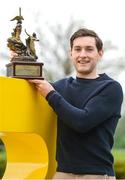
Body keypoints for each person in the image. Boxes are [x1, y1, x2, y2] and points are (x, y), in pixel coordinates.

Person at [29, 28, 123, 179]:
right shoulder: (61, 86)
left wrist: (50, 93)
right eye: (77, 49)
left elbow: (82, 122)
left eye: (89, 49)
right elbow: (34, 84)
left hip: (96, 175)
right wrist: (19, 59)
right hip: (62, 174)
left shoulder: (111, 88)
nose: (82, 55)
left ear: (100, 53)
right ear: (71, 53)